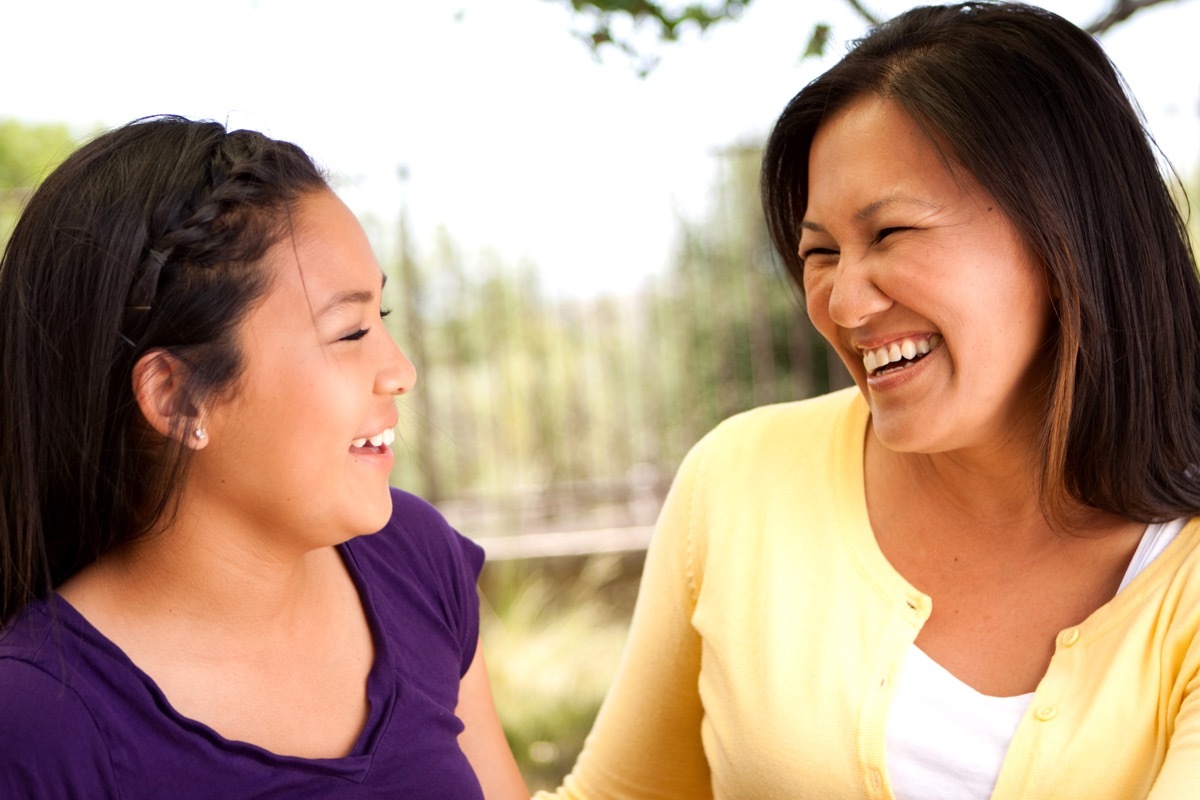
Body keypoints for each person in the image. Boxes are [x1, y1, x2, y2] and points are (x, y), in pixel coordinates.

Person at [537, 3, 1200, 799]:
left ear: (1066, 233)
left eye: (890, 235)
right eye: (819, 252)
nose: (843, 305)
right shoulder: (741, 480)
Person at [0, 116, 528, 799]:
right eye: (351, 331)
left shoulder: (414, 560)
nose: (399, 371)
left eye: (384, 320)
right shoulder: (37, 727)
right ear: (178, 395)